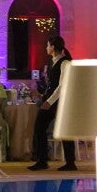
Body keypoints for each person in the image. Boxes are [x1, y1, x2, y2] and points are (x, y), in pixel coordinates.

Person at [29, 34, 78, 172]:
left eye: (47, 45)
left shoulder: (65, 63)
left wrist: (49, 101)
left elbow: (62, 86)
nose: (46, 48)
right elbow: (51, 84)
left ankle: (70, 162)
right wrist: (43, 95)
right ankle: (42, 160)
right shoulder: (51, 62)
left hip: (60, 102)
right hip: (50, 100)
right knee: (39, 128)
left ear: (53, 47)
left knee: (64, 130)